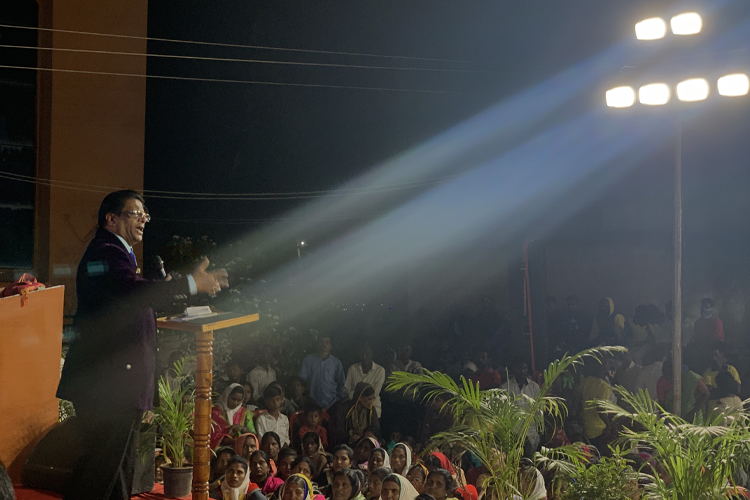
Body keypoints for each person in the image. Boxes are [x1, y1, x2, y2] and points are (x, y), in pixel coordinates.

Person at [56, 190, 228, 500]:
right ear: (111, 219)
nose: (143, 220)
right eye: (136, 213)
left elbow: (131, 301)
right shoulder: (104, 252)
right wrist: (189, 283)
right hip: (108, 386)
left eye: (145, 216)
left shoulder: (119, 255)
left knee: (118, 470)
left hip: (114, 384)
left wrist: (177, 290)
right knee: (99, 473)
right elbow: (132, 293)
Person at [502, 361, 541, 458]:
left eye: (524, 368)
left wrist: (540, 429)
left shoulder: (534, 387)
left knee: (530, 463)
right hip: (514, 433)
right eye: (519, 368)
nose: (522, 371)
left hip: (531, 431)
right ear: (514, 369)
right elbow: (503, 413)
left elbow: (539, 410)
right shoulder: (505, 387)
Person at [299, 337, 347, 409]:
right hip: (312, 404)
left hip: (332, 404)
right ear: (317, 344)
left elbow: (341, 383)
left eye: (327, 342)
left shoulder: (336, 362)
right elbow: (301, 380)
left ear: (330, 346)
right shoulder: (308, 360)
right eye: (322, 342)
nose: (324, 344)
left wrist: (340, 401)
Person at [582, 358, 614, 454]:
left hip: (585, 426)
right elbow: (600, 409)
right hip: (599, 430)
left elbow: (578, 397)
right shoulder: (604, 387)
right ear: (604, 368)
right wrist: (609, 425)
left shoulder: (587, 381)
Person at [345, 344, 386, 418]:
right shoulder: (352, 369)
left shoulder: (380, 370)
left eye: (367, 354)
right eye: (362, 354)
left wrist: (356, 396)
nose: (364, 357)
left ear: (372, 355)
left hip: (373, 409)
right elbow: (347, 390)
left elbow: (375, 393)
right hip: (354, 411)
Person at [212, 384, 257, 448]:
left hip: (240, 449)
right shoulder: (215, 412)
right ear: (226, 396)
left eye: (239, 400)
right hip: (219, 449)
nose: (235, 403)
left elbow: (253, 436)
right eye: (233, 399)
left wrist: (243, 429)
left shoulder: (245, 413)